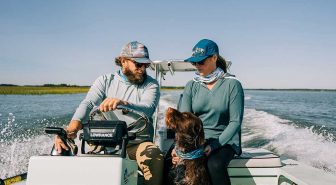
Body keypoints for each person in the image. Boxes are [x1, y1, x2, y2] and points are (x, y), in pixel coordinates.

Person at [54, 41, 164, 185]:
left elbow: (148, 108)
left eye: (146, 65)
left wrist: (123, 103)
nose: (142, 69)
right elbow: (88, 104)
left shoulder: (151, 84)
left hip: (136, 145)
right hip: (105, 144)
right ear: (123, 61)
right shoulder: (104, 81)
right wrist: (72, 129)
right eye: (138, 64)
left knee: (154, 155)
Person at [175, 39, 244, 185]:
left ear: (214, 58)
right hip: (197, 141)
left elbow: (235, 122)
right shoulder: (191, 86)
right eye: (195, 63)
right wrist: (179, 148)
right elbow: (184, 122)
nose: (197, 66)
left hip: (224, 141)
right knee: (172, 163)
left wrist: (214, 146)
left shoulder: (232, 85)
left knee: (215, 165)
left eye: (201, 62)